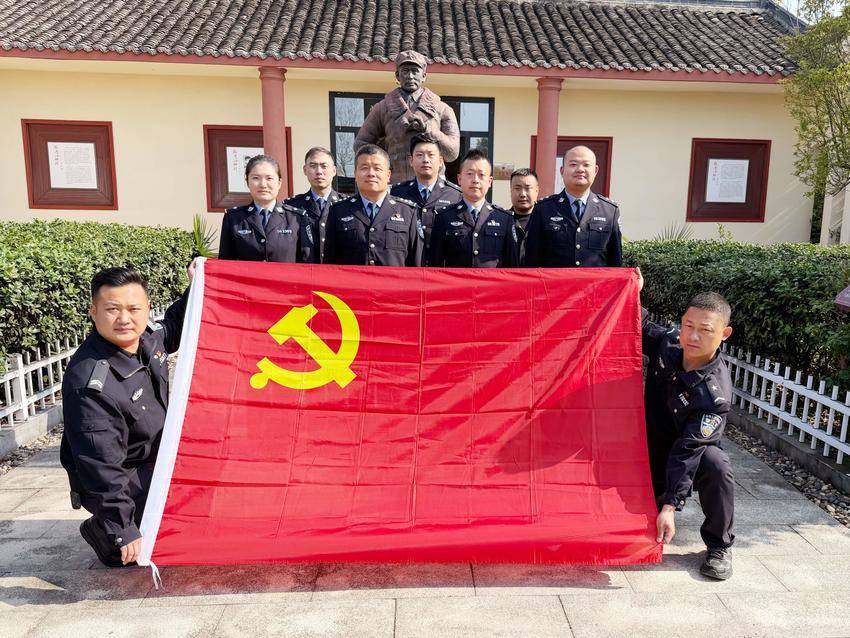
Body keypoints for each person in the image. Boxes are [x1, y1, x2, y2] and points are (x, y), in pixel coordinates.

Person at [60, 265, 194, 567]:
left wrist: (197, 285)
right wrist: (123, 529)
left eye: (133, 309)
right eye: (112, 309)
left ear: (147, 308)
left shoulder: (147, 338)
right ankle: (105, 531)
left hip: (154, 457)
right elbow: (100, 465)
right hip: (124, 474)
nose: (124, 319)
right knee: (158, 537)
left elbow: (175, 325)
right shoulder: (90, 383)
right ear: (94, 311)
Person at [639, 278, 735, 580]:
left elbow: (688, 450)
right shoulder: (669, 342)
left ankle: (719, 545)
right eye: (687, 325)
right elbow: (637, 323)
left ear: (724, 334)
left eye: (705, 330)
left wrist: (671, 505)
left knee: (716, 464)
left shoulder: (714, 395)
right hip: (644, 444)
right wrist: (631, 290)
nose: (692, 336)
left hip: (682, 454)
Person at [353, 50, 460, 183]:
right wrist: (384, 158)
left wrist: (428, 130)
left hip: (433, 186)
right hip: (396, 184)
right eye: (405, 71)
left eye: (415, 71)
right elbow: (360, 145)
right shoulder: (381, 108)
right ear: (397, 76)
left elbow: (452, 153)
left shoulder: (442, 109)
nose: (410, 76)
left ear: (424, 76)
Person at [323, 144, 423, 267]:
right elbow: (330, 265)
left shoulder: (408, 212)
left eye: (377, 168)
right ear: (355, 174)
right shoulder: (338, 211)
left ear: (388, 175)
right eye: (364, 168)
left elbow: (417, 263)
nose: (371, 173)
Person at [524, 145, 622, 268]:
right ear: (562, 171)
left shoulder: (610, 211)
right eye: (573, 164)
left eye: (586, 165)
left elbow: (615, 263)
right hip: (555, 281)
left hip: (594, 281)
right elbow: (531, 260)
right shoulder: (543, 209)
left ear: (595, 171)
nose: (580, 169)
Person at [429, 148, 518, 268]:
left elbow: (511, 266)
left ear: (490, 181)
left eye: (481, 175)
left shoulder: (504, 219)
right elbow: (435, 265)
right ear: (459, 179)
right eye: (470, 174)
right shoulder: (443, 217)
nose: (475, 180)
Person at [218, 154, 314, 263]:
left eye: (269, 178)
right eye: (256, 178)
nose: (263, 184)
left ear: (279, 183)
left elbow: (307, 264)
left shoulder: (296, 218)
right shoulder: (233, 218)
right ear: (247, 182)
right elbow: (225, 264)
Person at [390, 134, 463, 262]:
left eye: (431, 155)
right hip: (408, 266)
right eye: (419, 155)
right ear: (411, 161)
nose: (425, 160)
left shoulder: (455, 195)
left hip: (440, 266)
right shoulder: (397, 193)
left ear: (440, 161)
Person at [285, 147, 342, 263]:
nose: (319, 171)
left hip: (337, 271)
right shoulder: (291, 207)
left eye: (324, 166)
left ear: (334, 171)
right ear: (305, 170)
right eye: (313, 166)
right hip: (304, 271)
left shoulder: (346, 205)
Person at [508, 168, 539, 264]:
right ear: (511, 191)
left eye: (528, 188)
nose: (522, 194)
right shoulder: (502, 221)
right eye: (517, 188)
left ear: (537, 190)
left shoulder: (545, 221)